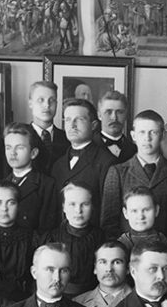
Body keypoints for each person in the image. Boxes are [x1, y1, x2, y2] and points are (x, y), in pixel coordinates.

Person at [101, 110, 167, 240]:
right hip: (128, 250)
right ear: (133, 136)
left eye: (153, 132)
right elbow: (109, 223)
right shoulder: (118, 172)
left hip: (164, 251)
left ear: (162, 136)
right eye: (142, 132)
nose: (147, 138)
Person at [50, 99, 116, 228]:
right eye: (68, 120)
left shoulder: (107, 162)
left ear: (93, 125)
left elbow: (109, 213)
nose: (72, 125)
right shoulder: (58, 164)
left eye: (79, 119)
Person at [40, 182, 105, 297]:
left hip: (93, 296)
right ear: (64, 207)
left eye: (84, 204)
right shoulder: (51, 238)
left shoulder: (101, 238)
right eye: (72, 204)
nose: (78, 210)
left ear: (92, 207)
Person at [1, 122, 59, 234]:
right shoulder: (2, 185)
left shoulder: (46, 185)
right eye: (8, 148)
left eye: (19, 148)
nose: (12, 153)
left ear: (33, 153)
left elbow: (47, 228)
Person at [74, 241, 132, 307]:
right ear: (95, 268)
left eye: (117, 262)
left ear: (127, 268)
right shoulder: (78, 302)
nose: (109, 269)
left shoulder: (140, 302)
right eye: (103, 262)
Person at [28, 80, 69, 173]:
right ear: (30, 103)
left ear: (57, 104)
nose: (47, 105)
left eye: (52, 100)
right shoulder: (20, 137)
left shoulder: (67, 138)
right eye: (40, 100)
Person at [97, 90, 137, 162]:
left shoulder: (135, 150)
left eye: (119, 112)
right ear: (99, 115)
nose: (114, 117)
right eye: (108, 112)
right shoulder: (88, 148)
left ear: (126, 115)